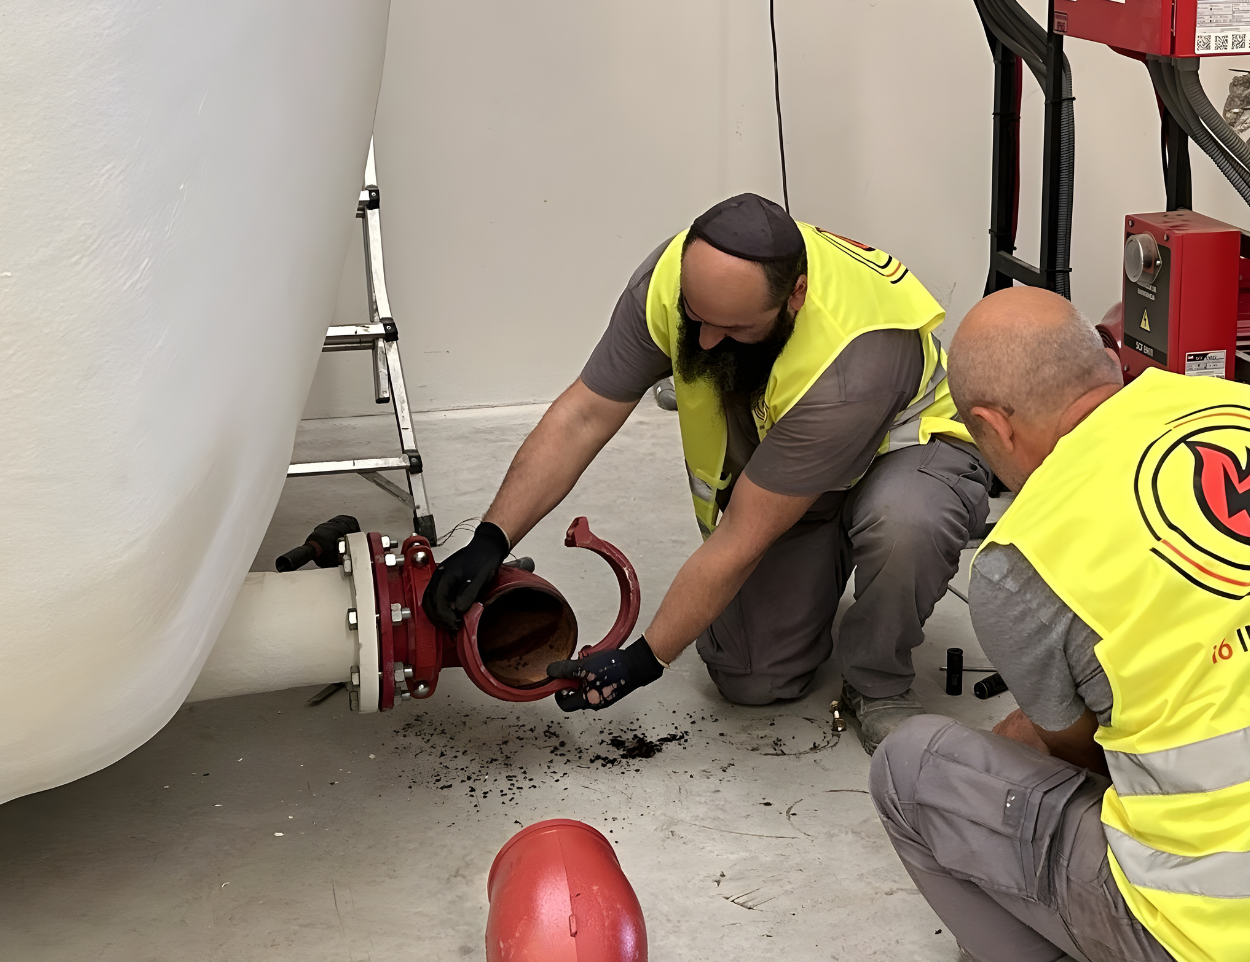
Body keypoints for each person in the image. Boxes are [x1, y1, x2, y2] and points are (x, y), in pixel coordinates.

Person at [870, 287, 1250, 962]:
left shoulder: (1024, 557)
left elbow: (1083, 758)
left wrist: (1033, 736)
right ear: (1106, 363)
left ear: (993, 426)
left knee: (910, 767)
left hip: (1229, 961)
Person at [423, 193, 991, 751]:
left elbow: (744, 533)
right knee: (753, 680)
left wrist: (645, 659)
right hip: (793, 452)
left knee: (904, 522)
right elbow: (583, 416)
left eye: (734, 328)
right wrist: (489, 539)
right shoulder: (669, 283)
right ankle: (823, 553)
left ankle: (878, 679)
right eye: (697, 316)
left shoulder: (852, 355)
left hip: (902, 449)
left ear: (795, 296)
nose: (705, 341)